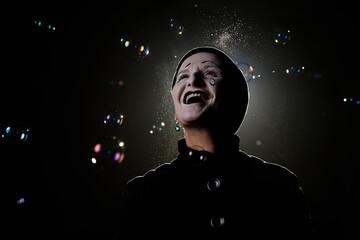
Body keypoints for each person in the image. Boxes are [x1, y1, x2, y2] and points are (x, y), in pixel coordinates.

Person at [117, 46, 315, 239]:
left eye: (210, 72)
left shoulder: (279, 185)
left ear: (235, 98)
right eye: (183, 77)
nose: (193, 81)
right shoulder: (142, 193)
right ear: (175, 113)